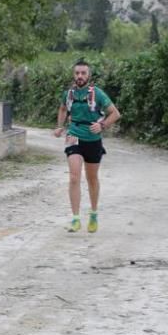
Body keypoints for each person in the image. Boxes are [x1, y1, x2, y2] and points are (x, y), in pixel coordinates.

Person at [53, 60, 121, 233]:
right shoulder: (68, 94)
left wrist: (102, 125)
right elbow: (62, 109)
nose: (80, 76)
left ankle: (93, 214)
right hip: (73, 135)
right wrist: (60, 126)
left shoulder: (97, 93)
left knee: (92, 178)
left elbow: (115, 113)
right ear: (73, 75)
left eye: (83, 73)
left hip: (93, 139)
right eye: (77, 73)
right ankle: (75, 219)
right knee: (74, 177)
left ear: (88, 75)